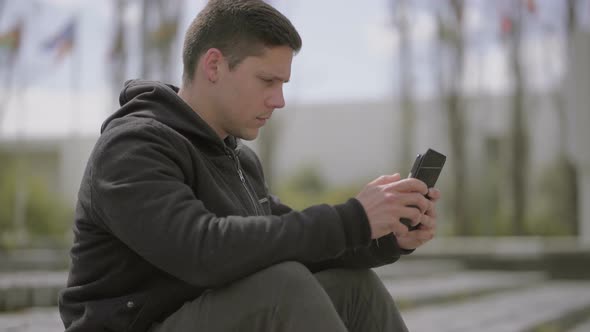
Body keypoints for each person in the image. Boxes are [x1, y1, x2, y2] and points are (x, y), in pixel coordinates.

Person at [58, 0, 440, 331]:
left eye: (284, 84)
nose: (279, 100)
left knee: (356, 289)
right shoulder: (133, 146)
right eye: (267, 81)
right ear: (213, 65)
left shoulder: (237, 159)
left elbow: (285, 242)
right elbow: (202, 250)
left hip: (207, 315)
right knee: (283, 287)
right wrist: (354, 217)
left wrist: (384, 237)